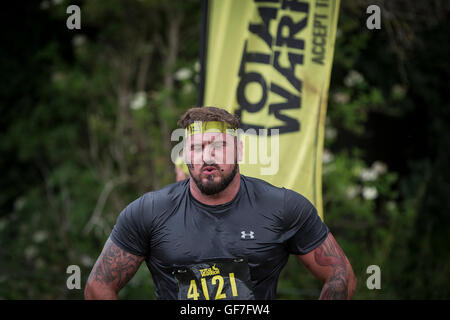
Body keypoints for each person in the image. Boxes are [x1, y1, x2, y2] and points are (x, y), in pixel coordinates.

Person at [84, 106, 357, 300]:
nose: (207, 157)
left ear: (239, 150)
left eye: (218, 146)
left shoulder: (283, 206)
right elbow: (98, 287)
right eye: (197, 148)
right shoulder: (149, 211)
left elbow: (340, 273)